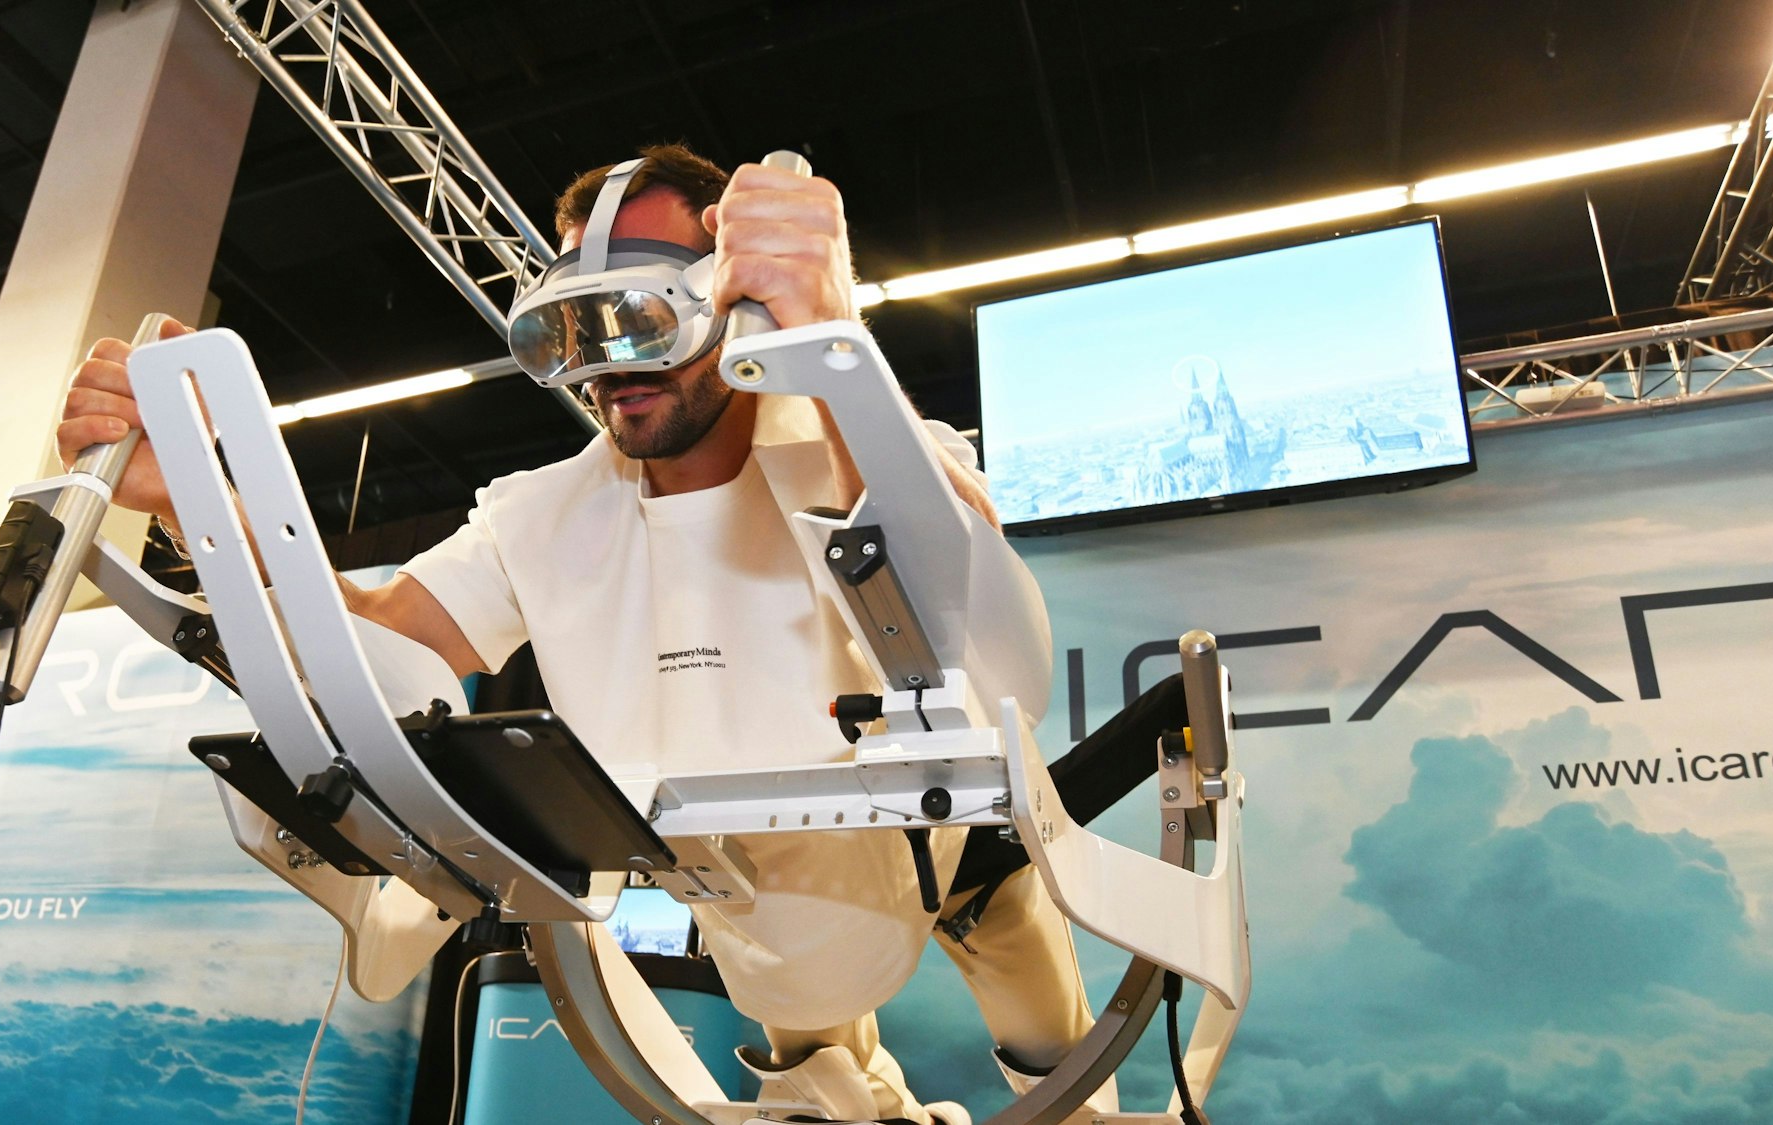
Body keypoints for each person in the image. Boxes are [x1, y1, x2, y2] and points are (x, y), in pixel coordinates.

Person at [58, 144, 1112, 1125]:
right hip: (756, 891)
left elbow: (984, 641)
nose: (610, 361)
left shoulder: (856, 444)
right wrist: (192, 502)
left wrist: (826, 338)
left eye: (644, 314)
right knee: (813, 1050)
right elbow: (379, 636)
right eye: (578, 327)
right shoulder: (542, 512)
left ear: (729, 302)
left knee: (1052, 1037)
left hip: (942, 841)